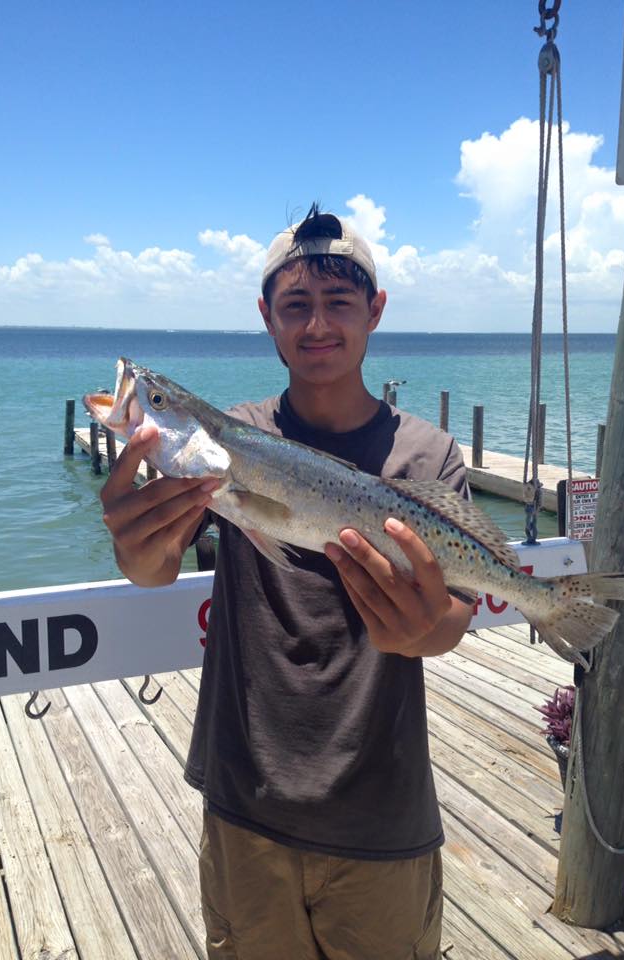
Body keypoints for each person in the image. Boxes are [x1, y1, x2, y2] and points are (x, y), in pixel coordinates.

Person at [100, 204, 474, 959]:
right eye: (295, 306)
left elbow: (451, 617)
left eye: (338, 304)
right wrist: (134, 543)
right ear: (267, 318)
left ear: (375, 313)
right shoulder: (236, 436)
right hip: (247, 799)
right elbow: (154, 569)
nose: (317, 326)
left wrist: (424, 632)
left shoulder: (428, 456)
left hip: (382, 808)